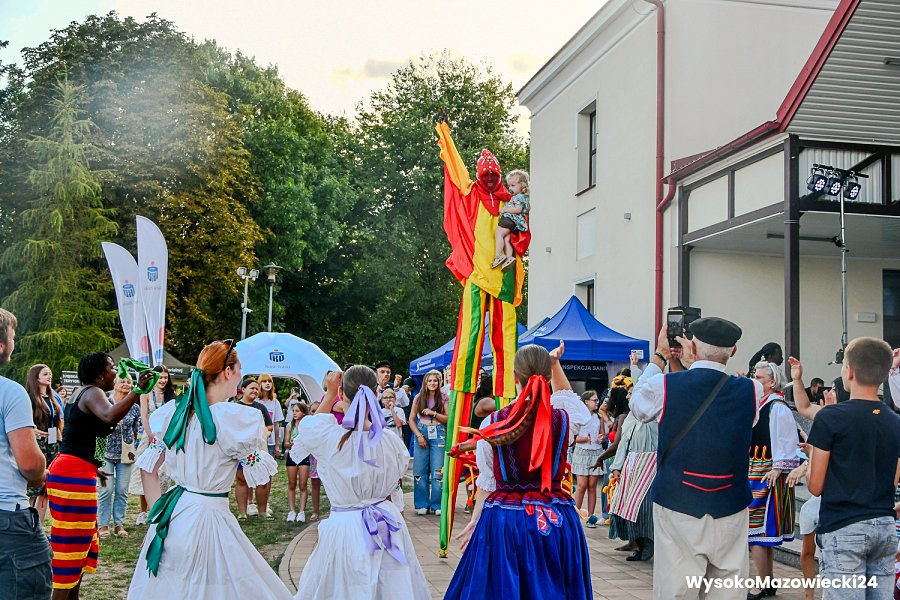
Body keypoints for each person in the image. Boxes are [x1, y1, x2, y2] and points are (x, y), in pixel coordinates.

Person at [127, 339, 288, 599]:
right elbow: (259, 475)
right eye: (239, 372)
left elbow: (149, 469)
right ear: (227, 373)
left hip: (174, 513)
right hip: (208, 516)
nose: (240, 379)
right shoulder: (231, 418)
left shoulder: (175, 412)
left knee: (176, 586)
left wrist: (157, 518)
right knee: (214, 586)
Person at [630, 318, 764, 600]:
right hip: (731, 501)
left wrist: (660, 357)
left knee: (677, 588)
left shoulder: (664, 386)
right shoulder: (752, 390)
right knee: (728, 588)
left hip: (678, 499)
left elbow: (638, 408)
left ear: (692, 345)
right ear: (734, 350)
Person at [445, 342, 592, 599]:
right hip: (555, 517)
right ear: (547, 377)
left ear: (514, 377)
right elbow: (568, 396)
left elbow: (487, 482)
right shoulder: (564, 418)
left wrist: (475, 519)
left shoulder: (493, 422)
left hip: (505, 521)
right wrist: (555, 363)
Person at [289, 366, 429, 599]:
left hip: (347, 525)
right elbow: (397, 471)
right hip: (386, 521)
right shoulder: (390, 440)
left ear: (341, 392)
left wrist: (330, 393)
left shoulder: (329, 438)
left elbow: (310, 427)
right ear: (376, 395)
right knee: (391, 586)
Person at [47, 352, 152, 598]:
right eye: (112, 368)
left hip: (73, 469)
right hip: (72, 473)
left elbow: (100, 431)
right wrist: (137, 390)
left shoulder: (85, 392)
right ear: (99, 374)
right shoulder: (93, 392)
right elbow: (109, 416)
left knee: (79, 543)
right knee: (71, 547)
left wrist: (97, 467)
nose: (116, 373)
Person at [807, 337, 900, 599]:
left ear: (850, 371)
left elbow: (815, 486)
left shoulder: (831, 416)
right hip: (884, 525)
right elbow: (893, 481)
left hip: (843, 524)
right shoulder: (896, 421)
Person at [0, 308, 52, 599]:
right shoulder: (10, 392)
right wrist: (41, 471)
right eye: (13, 336)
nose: (15, 343)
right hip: (7, 518)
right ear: (1, 346)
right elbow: (30, 465)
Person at [746, 361, 801, 599]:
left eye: (759, 377)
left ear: (771, 382)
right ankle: (767, 581)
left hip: (767, 472)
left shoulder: (777, 407)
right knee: (760, 534)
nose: (755, 380)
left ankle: (761, 583)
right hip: (755, 471)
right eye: (754, 376)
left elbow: (787, 440)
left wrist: (778, 469)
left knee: (758, 532)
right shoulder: (760, 405)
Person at [130, 364, 176, 526]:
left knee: (163, 475)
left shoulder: (171, 395)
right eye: (160, 377)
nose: (163, 380)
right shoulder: (146, 394)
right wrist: (150, 435)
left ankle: (159, 508)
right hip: (150, 437)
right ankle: (143, 511)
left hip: (166, 438)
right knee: (147, 470)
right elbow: (144, 416)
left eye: (165, 377)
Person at [97, 376, 141, 539]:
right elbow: (97, 428)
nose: (126, 384)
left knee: (122, 490)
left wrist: (131, 445)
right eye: (122, 381)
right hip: (104, 453)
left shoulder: (134, 407)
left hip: (125, 453)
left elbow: (135, 429)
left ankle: (119, 524)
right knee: (106, 489)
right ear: (114, 384)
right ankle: (102, 524)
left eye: (129, 382)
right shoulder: (104, 402)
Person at [25, 363, 63, 522]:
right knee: (35, 487)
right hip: (38, 443)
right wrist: (43, 433)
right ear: (36, 377)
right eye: (45, 374)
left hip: (53, 444)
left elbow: (59, 419)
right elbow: (27, 425)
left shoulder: (55, 397)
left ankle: (39, 526)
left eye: (50, 373)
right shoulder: (30, 398)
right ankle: (29, 523)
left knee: (48, 487)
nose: (49, 376)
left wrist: (59, 433)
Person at [232, 379, 274, 520]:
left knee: (262, 480)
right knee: (241, 479)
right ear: (243, 389)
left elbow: (269, 426)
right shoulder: (235, 407)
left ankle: (262, 511)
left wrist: (263, 434)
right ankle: (242, 512)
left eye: (257, 389)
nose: (255, 391)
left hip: (258, 448)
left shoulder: (260, 408)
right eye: (252, 388)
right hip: (241, 449)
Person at [408, 369, 448, 515]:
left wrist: (434, 413)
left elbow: (448, 418)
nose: (432, 383)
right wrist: (418, 435)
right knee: (419, 470)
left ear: (439, 382)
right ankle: (422, 504)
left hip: (439, 433)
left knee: (438, 470)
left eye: (435, 380)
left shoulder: (444, 397)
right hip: (422, 430)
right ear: (425, 382)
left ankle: (437, 504)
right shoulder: (419, 397)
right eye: (429, 380)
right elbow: (411, 419)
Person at [572, 390, 604, 528]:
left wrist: (601, 437)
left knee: (592, 486)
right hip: (582, 452)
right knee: (581, 486)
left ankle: (591, 517)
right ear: (586, 402)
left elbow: (602, 433)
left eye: (597, 400)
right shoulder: (578, 417)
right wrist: (585, 439)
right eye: (594, 400)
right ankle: (574, 517)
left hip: (596, 452)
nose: (596, 403)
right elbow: (573, 438)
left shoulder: (599, 416)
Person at [492, 169, 530, 271]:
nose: (510, 188)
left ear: (522, 185)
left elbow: (518, 209)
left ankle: (498, 255)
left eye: (513, 185)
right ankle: (509, 258)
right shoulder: (525, 197)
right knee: (506, 239)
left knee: (498, 234)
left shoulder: (518, 197)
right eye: (509, 186)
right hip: (514, 223)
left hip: (509, 219)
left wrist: (505, 209)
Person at [284, 402, 310, 523]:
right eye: (293, 411)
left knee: (303, 484)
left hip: (304, 455)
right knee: (291, 483)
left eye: (297, 411)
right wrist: (291, 443)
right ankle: (291, 510)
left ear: (303, 412)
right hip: (292, 455)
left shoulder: (307, 426)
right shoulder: (290, 425)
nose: (294, 413)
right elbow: (286, 443)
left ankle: (302, 511)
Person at [257, 373, 284, 458]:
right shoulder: (255, 400)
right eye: (264, 381)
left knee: (269, 468)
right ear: (260, 384)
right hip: (256, 441)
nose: (267, 383)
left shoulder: (275, 402)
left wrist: (277, 444)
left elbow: (276, 424)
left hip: (270, 442)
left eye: (270, 381)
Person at [307, 400, 322, 522]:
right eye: (313, 411)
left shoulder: (327, 424)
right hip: (314, 459)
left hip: (326, 458)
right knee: (315, 484)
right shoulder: (308, 425)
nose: (315, 413)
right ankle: (315, 511)